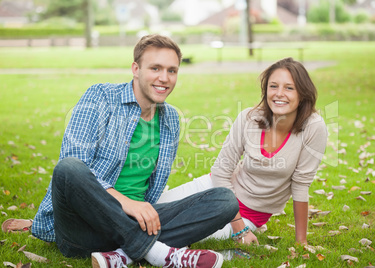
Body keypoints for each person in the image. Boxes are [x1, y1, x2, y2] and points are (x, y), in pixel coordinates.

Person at [30, 34, 238, 268]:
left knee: (225, 200)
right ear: (136, 69)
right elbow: (73, 165)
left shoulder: (170, 120)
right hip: (83, 229)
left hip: (136, 222)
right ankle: (159, 253)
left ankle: (122, 255)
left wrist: (138, 209)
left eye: (172, 70)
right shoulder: (101, 97)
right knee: (69, 168)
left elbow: (149, 192)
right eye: (155, 68)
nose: (164, 78)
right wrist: (126, 203)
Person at [157, 57, 328, 246]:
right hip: (216, 188)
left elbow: (301, 184)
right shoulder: (249, 118)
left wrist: (301, 241)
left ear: (302, 93)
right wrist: (240, 228)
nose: (279, 94)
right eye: (273, 86)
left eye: (289, 88)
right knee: (151, 212)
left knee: (171, 233)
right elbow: (221, 172)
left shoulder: (314, 127)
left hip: (251, 212)